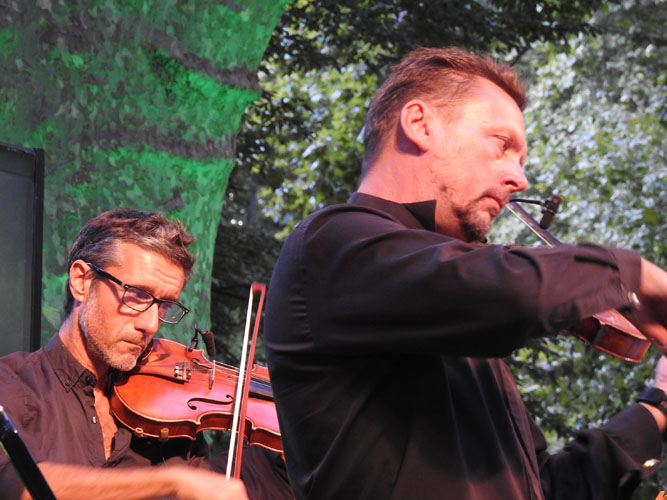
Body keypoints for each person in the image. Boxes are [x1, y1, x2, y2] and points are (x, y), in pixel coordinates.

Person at [264, 47, 667, 499]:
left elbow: (545, 488)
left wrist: (659, 403)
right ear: (420, 124)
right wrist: (632, 272)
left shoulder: (459, 311)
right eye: (502, 144)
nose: (520, 179)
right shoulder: (331, 245)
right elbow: (515, 291)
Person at [0, 209, 249, 500]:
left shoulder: (174, 415)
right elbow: (13, 485)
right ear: (82, 281)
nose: (151, 324)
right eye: (137, 294)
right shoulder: (10, 387)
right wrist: (170, 481)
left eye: (164, 305)